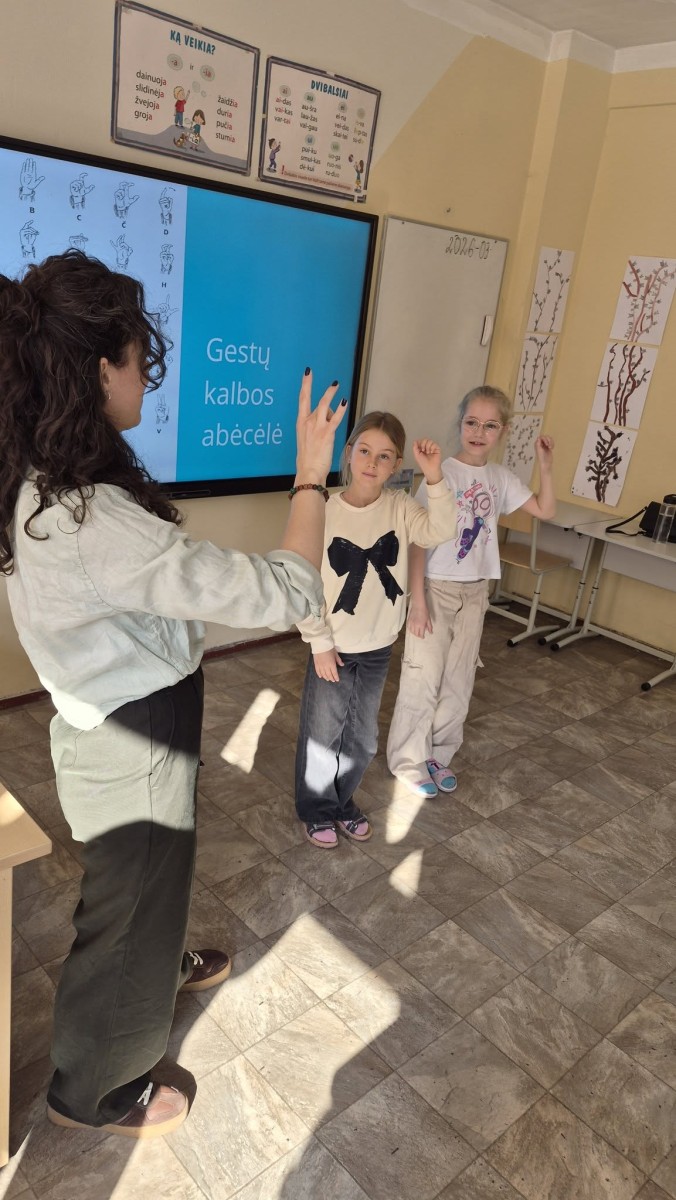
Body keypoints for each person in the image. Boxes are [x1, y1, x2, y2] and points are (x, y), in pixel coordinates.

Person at [0, 249, 346, 1138]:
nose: (147, 376)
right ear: (97, 371)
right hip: (131, 735)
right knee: (127, 908)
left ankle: (156, 967)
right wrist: (312, 473)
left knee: (143, 890)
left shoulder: (44, 481)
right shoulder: (89, 521)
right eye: (137, 358)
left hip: (116, 719)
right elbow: (284, 589)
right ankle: (96, 1090)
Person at [294, 411, 457, 848]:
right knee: (323, 735)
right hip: (331, 646)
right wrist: (319, 643)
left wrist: (434, 476)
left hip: (378, 647)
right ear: (348, 453)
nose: (372, 462)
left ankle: (342, 801)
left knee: (362, 738)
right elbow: (301, 583)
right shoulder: (322, 509)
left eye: (384, 456)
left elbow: (442, 528)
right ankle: (317, 809)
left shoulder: (401, 507)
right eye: (364, 451)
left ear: (396, 463)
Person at [387, 385, 555, 797]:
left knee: (459, 681)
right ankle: (408, 760)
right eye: (472, 422)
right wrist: (418, 602)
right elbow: (417, 541)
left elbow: (545, 510)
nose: (479, 432)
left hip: (476, 594)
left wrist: (546, 466)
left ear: (503, 430)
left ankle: (438, 755)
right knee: (422, 677)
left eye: (490, 425)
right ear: (460, 423)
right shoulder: (440, 473)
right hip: (436, 589)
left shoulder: (500, 478)